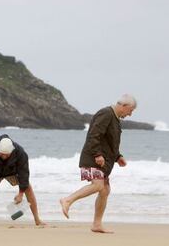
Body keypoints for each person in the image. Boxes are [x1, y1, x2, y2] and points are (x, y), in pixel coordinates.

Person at [60, 94, 137, 233]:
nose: (130, 114)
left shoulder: (115, 118)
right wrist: (97, 154)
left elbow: (109, 141)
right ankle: (67, 200)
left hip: (102, 160)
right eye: (130, 110)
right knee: (98, 185)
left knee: (105, 190)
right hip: (93, 158)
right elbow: (94, 135)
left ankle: (97, 224)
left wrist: (118, 156)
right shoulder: (106, 113)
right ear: (123, 106)